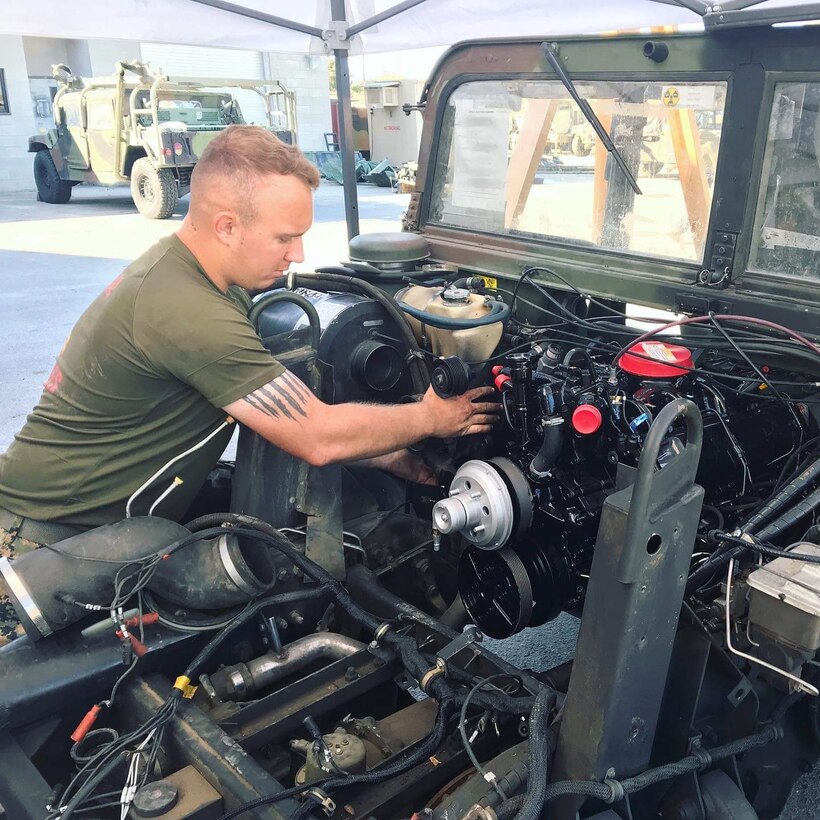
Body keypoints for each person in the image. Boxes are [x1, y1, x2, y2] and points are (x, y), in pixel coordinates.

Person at [0, 125, 498, 644]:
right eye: (285, 237)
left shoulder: (203, 281)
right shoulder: (187, 309)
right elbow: (317, 435)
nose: (298, 255)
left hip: (97, 519)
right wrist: (433, 417)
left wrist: (383, 454)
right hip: (42, 543)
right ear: (226, 226)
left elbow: (276, 412)